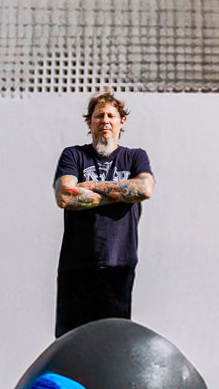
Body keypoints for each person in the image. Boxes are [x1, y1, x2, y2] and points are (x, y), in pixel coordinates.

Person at [52, 91, 155, 337]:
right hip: (76, 266)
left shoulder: (134, 157)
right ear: (89, 122)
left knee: (111, 342)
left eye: (111, 115)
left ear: (122, 121)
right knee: (71, 341)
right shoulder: (74, 155)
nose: (105, 121)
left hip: (118, 264)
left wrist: (91, 187)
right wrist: (121, 193)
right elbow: (65, 196)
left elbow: (144, 189)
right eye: (99, 116)